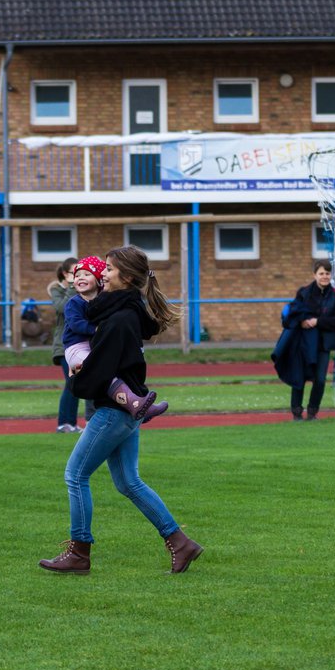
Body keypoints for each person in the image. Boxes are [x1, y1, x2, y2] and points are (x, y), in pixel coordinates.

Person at [39, 245, 201, 575]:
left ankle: (79, 552)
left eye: (110, 270)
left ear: (125, 277)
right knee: (129, 482)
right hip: (127, 410)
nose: (104, 274)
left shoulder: (118, 319)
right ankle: (180, 542)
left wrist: (77, 380)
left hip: (113, 411)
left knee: (75, 475)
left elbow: (98, 371)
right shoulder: (122, 313)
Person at [62, 255, 167, 423]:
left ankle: (138, 405)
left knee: (104, 371)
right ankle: (134, 403)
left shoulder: (108, 306)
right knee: (101, 371)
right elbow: (76, 324)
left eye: (87, 274)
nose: (81, 278)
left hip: (91, 347)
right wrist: (96, 329)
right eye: (77, 275)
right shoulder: (74, 303)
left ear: (98, 281)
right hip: (77, 347)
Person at [272, 259, 335, 420]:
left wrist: (317, 321)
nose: (324, 276)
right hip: (303, 343)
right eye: (321, 273)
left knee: (320, 379)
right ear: (314, 275)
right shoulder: (304, 292)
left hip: (324, 344)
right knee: (299, 376)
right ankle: (296, 412)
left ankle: (313, 412)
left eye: (327, 273)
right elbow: (293, 313)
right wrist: (301, 321)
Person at [48, 257, 81, 433]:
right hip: (63, 345)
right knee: (71, 382)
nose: (79, 276)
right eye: (74, 272)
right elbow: (62, 308)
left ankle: (72, 424)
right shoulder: (57, 290)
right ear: (65, 273)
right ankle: (63, 423)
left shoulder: (80, 289)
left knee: (76, 383)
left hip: (77, 344)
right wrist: (71, 287)